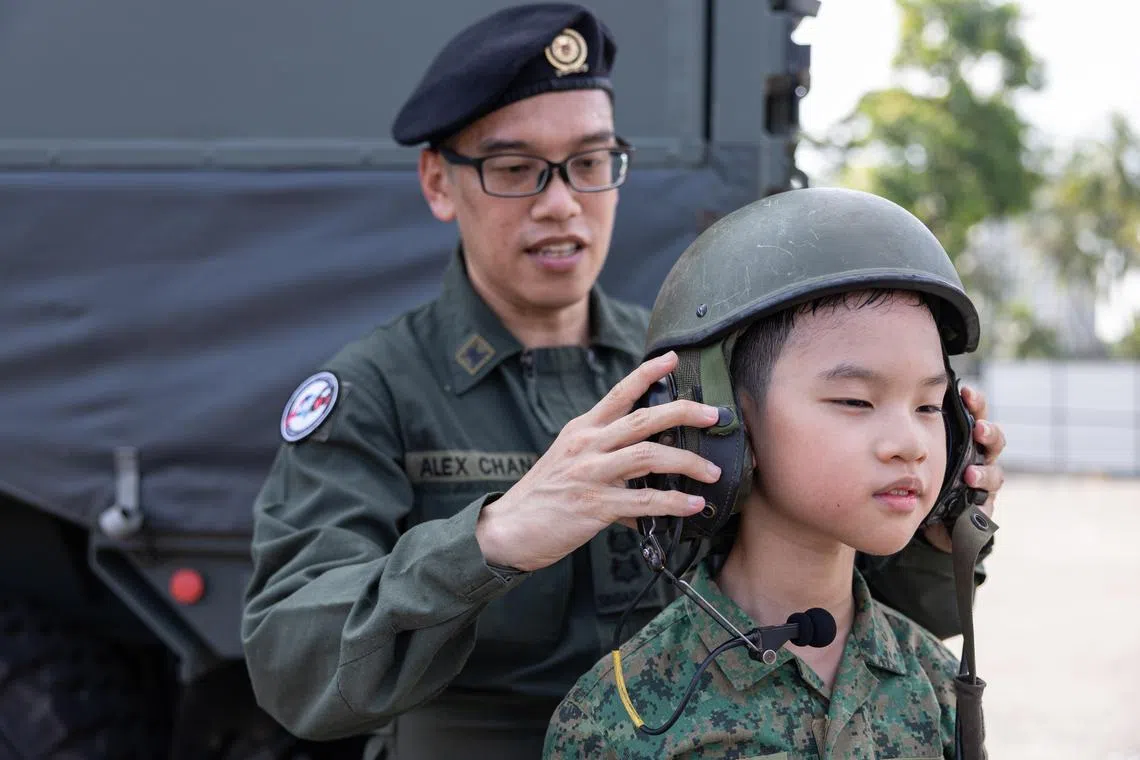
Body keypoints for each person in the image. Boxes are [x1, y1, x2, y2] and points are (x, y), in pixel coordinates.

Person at [240, 5, 1008, 759]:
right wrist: (494, 538)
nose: (561, 204)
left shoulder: (692, 370)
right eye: (515, 170)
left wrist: (934, 526)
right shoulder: (378, 390)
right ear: (440, 183)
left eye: (590, 163)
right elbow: (293, 667)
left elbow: (859, 610)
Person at [543, 187, 994, 759]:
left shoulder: (937, 686)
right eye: (855, 402)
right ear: (719, 423)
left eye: (929, 408)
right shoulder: (624, 716)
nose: (910, 444)